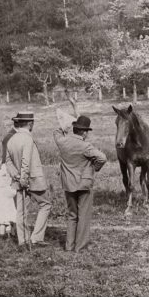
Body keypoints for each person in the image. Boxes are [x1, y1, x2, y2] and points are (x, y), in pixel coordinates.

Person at [53, 100, 107, 252]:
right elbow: (102, 158)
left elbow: (56, 133)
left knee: (72, 215)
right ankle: (80, 247)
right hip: (84, 184)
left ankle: (69, 246)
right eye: (87, 131)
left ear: (75, 129)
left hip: (68, 184)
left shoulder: (63, 142)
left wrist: (65, 124)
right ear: (84, 132)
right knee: (83, 215)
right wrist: (93, 168)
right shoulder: (85, 146)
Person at [4, 111, 52, 248]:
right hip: (32, 180)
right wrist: (23, 179)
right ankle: (36, 238)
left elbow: (8, 162)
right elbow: (26, 161)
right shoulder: (27, 139)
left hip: (19, 180)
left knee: (21, 211)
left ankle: (23, 240)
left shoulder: (11, 139)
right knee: (45, 205)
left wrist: (16, 176)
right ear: (30, 124)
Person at [0, 164, 17, 238]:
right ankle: (9, 236)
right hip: (7, 210)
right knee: (8, 223)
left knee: (1, 224)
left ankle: (1, 237)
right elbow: (13, 193)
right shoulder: (7, 188)